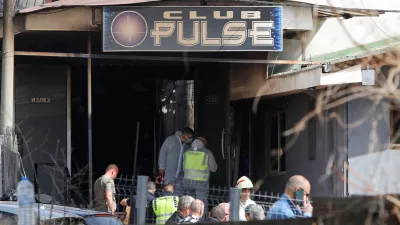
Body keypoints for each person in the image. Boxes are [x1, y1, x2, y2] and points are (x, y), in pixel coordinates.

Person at [182, 139, 217, 213]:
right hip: (201, 182)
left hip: (187, 181)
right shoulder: (207, 153)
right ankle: (201, 221)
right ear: (203, 143)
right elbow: (214, 169)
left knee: (189, 203)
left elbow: (183, 167)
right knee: (201, 203)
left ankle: (188, 220)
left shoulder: (186, 152)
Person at [158, 128, 195, 195]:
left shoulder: (187, 146)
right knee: (168, 194)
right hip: (169, 173)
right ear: (185, 135)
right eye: (190, 137)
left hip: (180, 176)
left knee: (179, 196)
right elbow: (163, 153)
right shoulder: (171, 140)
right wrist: (161, 167)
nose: (190, 139)